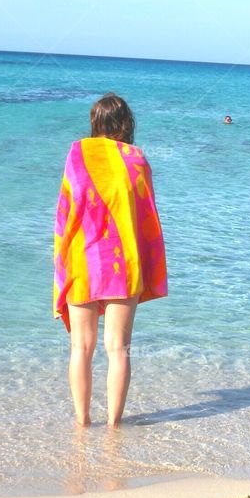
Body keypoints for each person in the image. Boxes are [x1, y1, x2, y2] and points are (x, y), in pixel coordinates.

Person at [53, 93, 168, 427]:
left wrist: (60, 264)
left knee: (81, 348)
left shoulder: (77, 154)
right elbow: (147, 219)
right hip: (123, 263)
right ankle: (115, 426)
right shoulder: (137, 160)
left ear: (95, 123)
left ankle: (82, 422)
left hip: (82, 261)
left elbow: (65, 212)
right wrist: (150, 267)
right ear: (126, 123)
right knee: (118, 349)